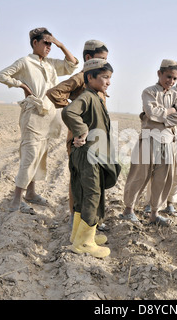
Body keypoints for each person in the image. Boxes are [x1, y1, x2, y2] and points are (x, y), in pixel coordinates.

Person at [0, 27, 79, 214]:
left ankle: (31, 194)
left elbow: (72, 64)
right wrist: (21, 84)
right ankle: (16, 200)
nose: (49, 47)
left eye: (51, 44)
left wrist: (60, 44)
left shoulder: (50, 64)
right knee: (30, 155)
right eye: (46, 43)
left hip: (49, 117)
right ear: (35, 43)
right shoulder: (25, 62)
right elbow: (1, 75)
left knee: (40, 155)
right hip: (32, 115)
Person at [61, 58, 120, 258]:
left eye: (109, 78)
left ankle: (79, 234)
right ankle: (84, 243)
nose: (108, 82)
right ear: (90, 77)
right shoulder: (87, 96)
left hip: (86, 154)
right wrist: (81, 131)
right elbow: (69, 112)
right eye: (104, 77)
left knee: (82, 193)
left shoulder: (95, 96)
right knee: (92, 194)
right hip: (89, 156)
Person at [46, 40, 108, 218]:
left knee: (93, 181)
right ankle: (77, 218)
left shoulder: (98, 79)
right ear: (89, 57)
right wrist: (76, 112)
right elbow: (54, 93)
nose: (104, 63)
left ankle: (90, 220)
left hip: (95, 138)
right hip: (80, 139)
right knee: (79, 179)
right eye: (101, 58)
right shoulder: (82, 77)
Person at [121, 59, 177, 227]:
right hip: (149, 138)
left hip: (167, 140)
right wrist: (170, 111)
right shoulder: (149, 92)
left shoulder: (175, 96)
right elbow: (152, 113)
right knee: (139, 175)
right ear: (159, 73)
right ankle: (129, 210)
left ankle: (155, 214)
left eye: (174, 78)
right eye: (168, 77)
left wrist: (163, 118)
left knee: (162, 179)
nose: (171, 81)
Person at [144, 62, 177, 215]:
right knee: (159, 171)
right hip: (166, 137)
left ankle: (170, 203)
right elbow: (155, 113)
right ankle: (151, 202)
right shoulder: (167, 92)